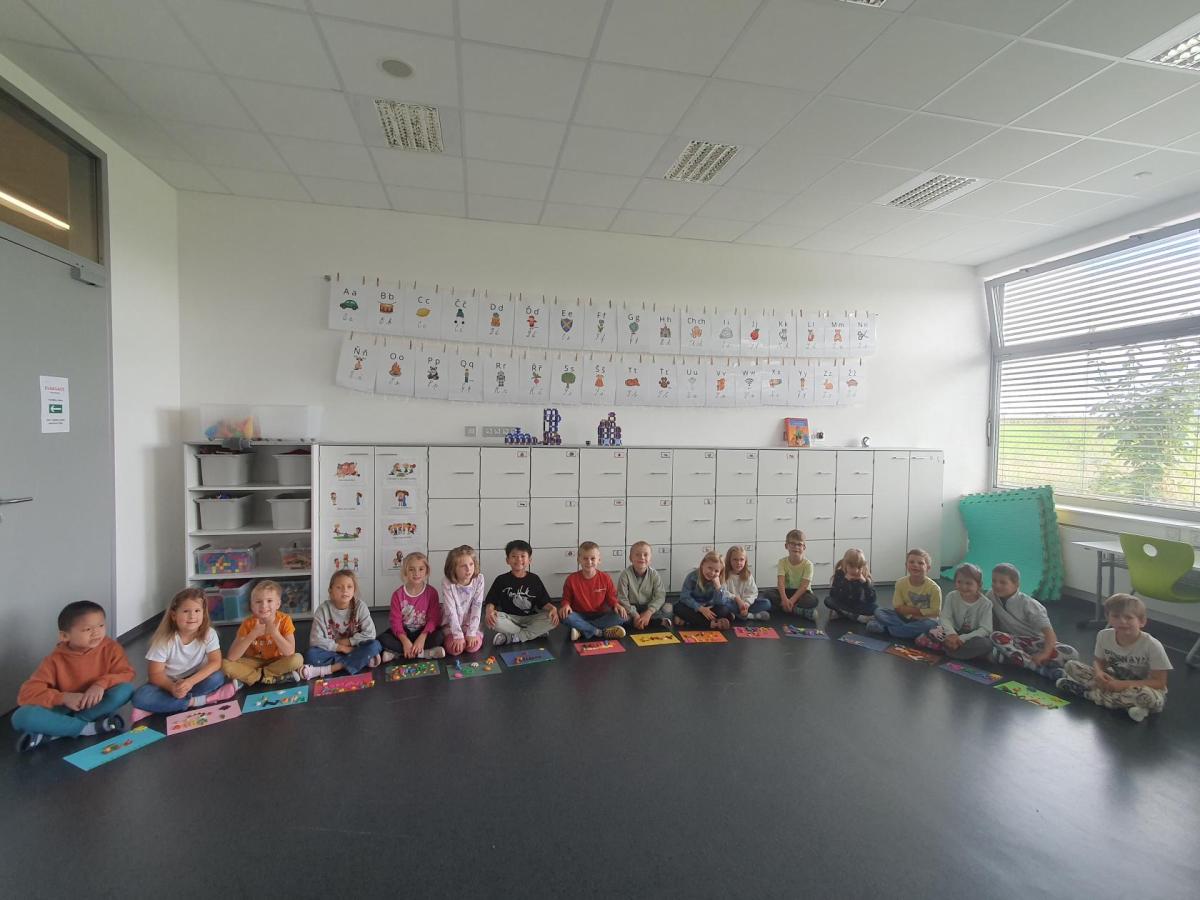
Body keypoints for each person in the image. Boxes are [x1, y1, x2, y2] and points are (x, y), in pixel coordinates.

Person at [13, 600, 135, 752]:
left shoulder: (111, 647)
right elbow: (26, 694)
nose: (97, 632)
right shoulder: (54, 660)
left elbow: (126, 673)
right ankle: (89, 728)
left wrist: (100, 684)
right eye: (87, 629)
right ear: (65, 636)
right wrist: (63, 698)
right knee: (21, 716)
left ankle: (57, 731)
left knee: (126, 689)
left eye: (101, 625)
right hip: (64, 708)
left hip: (95, 704)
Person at [1057, 593, 1170, 721]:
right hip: (1113, 679)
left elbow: (1159, 682)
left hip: (1142, 688)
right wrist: (1099, 673)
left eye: (1129, 617)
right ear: (1108, 618)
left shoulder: (1152, 645)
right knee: (1071, 665)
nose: (1122, 621)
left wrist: (1122, 685)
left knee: (1149, 697)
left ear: (1142, 621)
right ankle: (1126, 705)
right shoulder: (1103, 636)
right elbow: (1099, 662)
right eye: (1116, 616)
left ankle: (1088, 694)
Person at [132, 588, 235, 716]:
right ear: (174, 615)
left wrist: (190, 682)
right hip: (167, 683)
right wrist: (172, 688)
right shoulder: (164, 640)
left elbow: (215, 662)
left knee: (217, 677)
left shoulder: (209, 633)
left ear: (204, 613)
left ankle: (162, 705)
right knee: (140, 697)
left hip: (195, 680)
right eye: (186, 611)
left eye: (197, 611)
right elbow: (155, 674)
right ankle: (199, 700)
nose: (192, 616)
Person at [988, 562, 1077, 680]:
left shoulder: (1030, 605)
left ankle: (1016, 659)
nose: (997, 585)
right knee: (995, 636)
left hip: (1036, 643)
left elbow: (1050, 635)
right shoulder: (991, 596)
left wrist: (1045, 654)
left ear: (1016, 584)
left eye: (1003, 582)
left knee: (1072, 653)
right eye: (994, 581)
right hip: (1014, 641)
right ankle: (1038, 668)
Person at [301, 569, 382, 680]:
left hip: (355, 649)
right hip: (334, 651)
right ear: (330, 591)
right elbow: (315, 640)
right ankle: (360, 661)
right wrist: (341, 648)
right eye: (339, 587)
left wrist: (347, 642)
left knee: (375, 645)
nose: (345, 590)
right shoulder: (322, 610)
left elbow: (370, 634)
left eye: (349, 587)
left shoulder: (360, 606)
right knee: (311, 655)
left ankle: (331, 668)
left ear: (354, 590)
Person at [221, 580, 304, 687]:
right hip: (254, 662)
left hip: (278, 661)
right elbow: (232, 657)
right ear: (252, 606)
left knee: (297, 659)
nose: (264, 605)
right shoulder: (248, 623)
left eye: (269, 601)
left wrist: (275, 633)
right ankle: (268, 678)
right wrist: (252, 634)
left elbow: (290, 652)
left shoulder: (285, 620)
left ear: (278, 604)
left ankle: (255, 677)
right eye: (258, 602)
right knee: (224, 665)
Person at [486, 539, 559, 646]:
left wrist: (553, 609)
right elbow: (491, 601)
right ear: (507, 560)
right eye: (514, 556)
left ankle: (514, 637)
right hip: (509, 618)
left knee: (552, 619)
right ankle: (534, 632)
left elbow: (543, 602)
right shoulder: (501, 580)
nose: (519, 559)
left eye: (522, 556)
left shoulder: (534, 579)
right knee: (494, 620)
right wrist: (489, 611)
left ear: (529, 560)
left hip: (530, 618)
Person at [915, 564, 993, 660]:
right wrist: (951, 633)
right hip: (951, 631)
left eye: (969, 583)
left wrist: (962, 638)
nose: (963, 586)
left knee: (986, 644)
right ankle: (956, 650)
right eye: (959, 582)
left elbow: (986, 629)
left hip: (970, 637)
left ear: (979, 585)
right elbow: (945, 617)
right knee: (932, 627)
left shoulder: (986, 604)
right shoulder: (951, 596)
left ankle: (947, 649)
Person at [379, 552, 445, 661]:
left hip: (423, 632)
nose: (416, 573)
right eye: (411, 569)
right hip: (404, 633)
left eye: (421, 569)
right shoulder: (397, 595)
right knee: (382, 639)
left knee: (439, 636)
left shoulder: (432, 592)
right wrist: (405, 641)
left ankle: (397, 654)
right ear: (405, 571)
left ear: (426, 571)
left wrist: (422, 637)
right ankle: (425, 653)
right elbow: (395, 622)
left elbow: (434, 619)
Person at [560, 541, 626, 641]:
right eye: (585, 558)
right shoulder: (571, 579)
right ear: (578, 560)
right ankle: (599, 632)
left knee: (622, 616)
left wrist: (616, 605)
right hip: (579, 615)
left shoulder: (605, 578)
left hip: (601, 614)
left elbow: (611, 597)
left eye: (593, 558)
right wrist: (566, 605)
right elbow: (566, 598)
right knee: (564, 616)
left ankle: (581, 630)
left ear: (599, 560)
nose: (589, 562)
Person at [868, 549, 941, 639]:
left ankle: (886, 629)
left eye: (920, 563)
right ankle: (909, 631)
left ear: (928, 568)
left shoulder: (934, 588)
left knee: (931, 624)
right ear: (906, 565)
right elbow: (898, 607)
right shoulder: (900, 583)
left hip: (923, 620)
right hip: (903, 617)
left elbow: (935, 612)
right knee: (879, 611)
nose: (915, 565)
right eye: (911, 562)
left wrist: (909, 610)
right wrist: (920, 611)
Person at [761, 529, 818, 617]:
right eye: (792, 544)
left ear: (804, 547)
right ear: (786, 546)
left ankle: (785, 607)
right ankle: (796, 610)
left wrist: (791, 600)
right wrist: (784, 599)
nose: (796, 547)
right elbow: (781, 582)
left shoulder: (808, 564)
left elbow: (804, 586)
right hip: (787, 591)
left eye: (799, 544)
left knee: (813, 600)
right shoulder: (782, 562)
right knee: (767, 593)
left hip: (802, 593)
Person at [675, 550, 737, 630]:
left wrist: (718, 588)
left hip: (710, 608)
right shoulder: (692, 577)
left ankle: (690, 621)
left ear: (720, 572)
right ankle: (709, 623)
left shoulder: (720, 581)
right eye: (710, 568)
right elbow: (684, 597)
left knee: (723, 609)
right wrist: (700, 608)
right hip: (693, 607)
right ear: (702, 565)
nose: (712, 573)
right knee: (678, 608)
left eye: (716, 571)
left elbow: (720, 603)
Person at [441, 545, 485, 656]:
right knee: (455, 650)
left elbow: (477, 607)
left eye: (471, 564)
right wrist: (458, 636)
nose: (468, 569)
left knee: (472, 647)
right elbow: (450, 610)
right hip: (452, 624)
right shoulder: (447, 582)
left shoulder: (479, 579)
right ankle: (455, 637)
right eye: (463, 566)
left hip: (470, 623)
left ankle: (470, 635)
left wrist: (472, 633)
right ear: (453, 568)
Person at [617, 541, 671, 630]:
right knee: (620, 615)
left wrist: (649, 612)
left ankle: (640, 622)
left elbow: (660, 596)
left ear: (650, 559)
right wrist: (635, 615)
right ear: (630, 558)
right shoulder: (625, 575)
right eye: (637, 555)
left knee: (668, 608)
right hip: (630, 608)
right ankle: (651, 622)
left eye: (645, 555)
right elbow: (622, 598)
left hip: (648, 606)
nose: (642, 557)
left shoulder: (654, 574)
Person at [823, 547, 876, 623]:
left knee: (876, 609)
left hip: (859, 605)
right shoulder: (840, 574)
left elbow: (872, 599)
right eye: (852, 567)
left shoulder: (865, 575)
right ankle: (856, 617)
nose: (856, 570)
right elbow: (833, 594)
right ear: (845, 565)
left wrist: (865, 583)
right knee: (828, 601)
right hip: (844, 603)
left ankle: (844, 613)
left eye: (859, 567)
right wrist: (845, 581)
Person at [725, 545, 769, 621]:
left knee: (767, 603)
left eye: (741, 559)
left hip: (745, 604)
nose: (738, 563)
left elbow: (753, 592)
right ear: (729, 560)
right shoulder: (725, 575)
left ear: (745, 561)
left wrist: (746, 605)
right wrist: (737, 599)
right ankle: (749, 616)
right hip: (732, 603)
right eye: (735, 559)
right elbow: (724, 593)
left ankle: (737, 615)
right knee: (723, 605)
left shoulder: (748, 575)